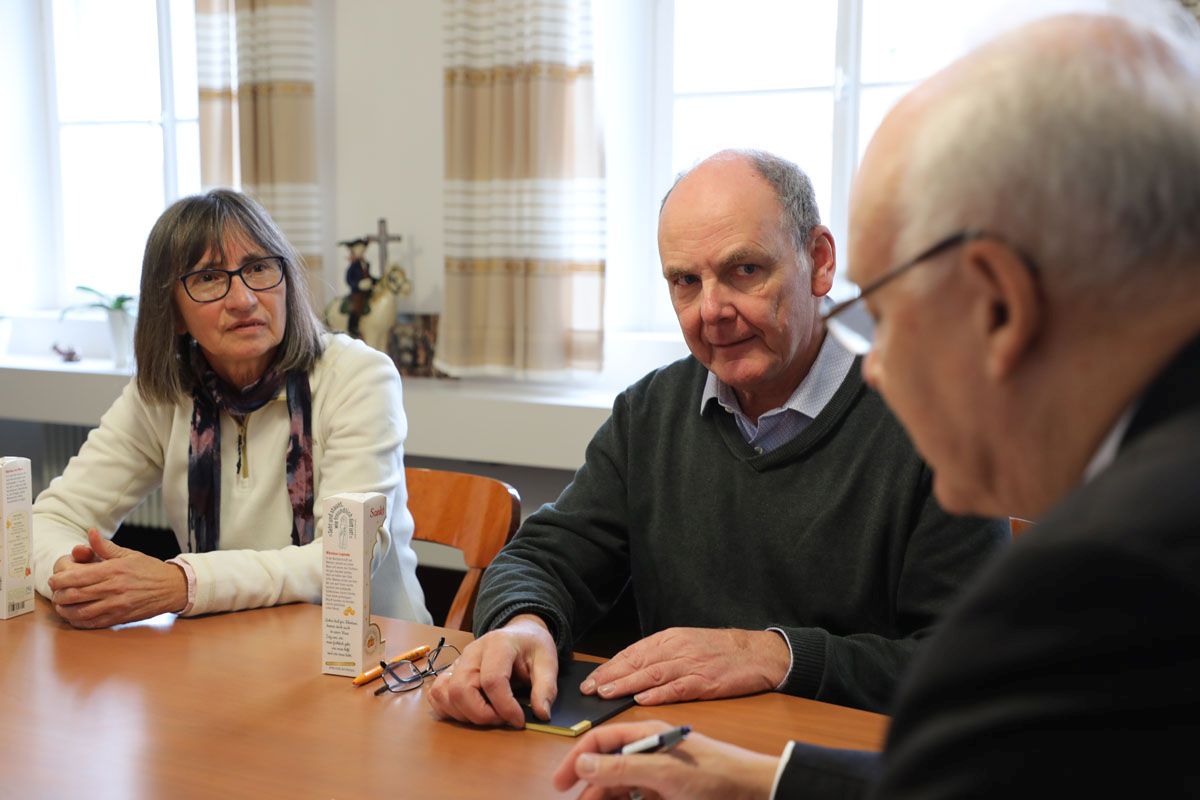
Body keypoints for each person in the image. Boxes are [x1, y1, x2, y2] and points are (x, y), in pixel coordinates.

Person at [552, 3, 1200, 797]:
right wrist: (761, 780)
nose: (877, 367)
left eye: (884, 316)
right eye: (685, 281)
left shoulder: (1124, 567)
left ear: (999, 305)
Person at [427, 149, 1007, 728]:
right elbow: (543, 559)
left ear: (820, 262)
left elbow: (970, 665)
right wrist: (523, 625)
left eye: (744, 270)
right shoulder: (650, 413)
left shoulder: (936, 420)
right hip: (672, 753)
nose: (711, 311)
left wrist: (777, 656)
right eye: (685, 281)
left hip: (840, 762)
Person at [33, 190, 431, 628]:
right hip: (223, 646)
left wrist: (183, 583)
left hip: (372, 651)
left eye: (258, 268)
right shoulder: (163, 393)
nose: (243, 299)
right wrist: (72, 576)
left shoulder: (357, 376)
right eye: (208, 277)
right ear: (173, 313)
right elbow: (51, 519)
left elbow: (345, 561)